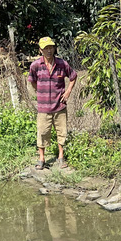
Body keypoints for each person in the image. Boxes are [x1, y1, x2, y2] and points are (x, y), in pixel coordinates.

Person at [28, 36, 78, 170]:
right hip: (43, 107)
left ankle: (61, 157)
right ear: (40, 50)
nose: (49, 51)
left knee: (62, 131)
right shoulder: (35, 65)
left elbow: (73, 76)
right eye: (46, 48)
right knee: (43, 132)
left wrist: (67, 92)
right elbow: (32, 80)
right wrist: (39, 90)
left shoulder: (62, 64)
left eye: (51, 47)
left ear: (54, 48)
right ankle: (41, 158)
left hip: (59, 106)